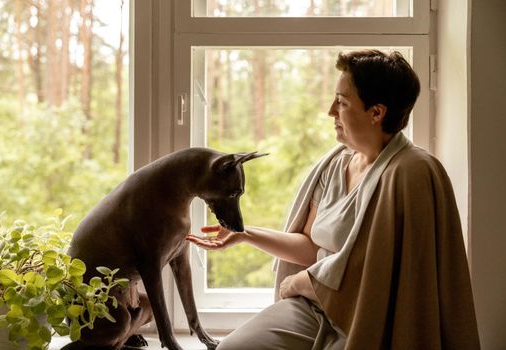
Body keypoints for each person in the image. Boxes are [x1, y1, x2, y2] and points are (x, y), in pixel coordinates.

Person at [186, 50, 480, 350]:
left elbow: (382, 279)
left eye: (341, 102)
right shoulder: (336, 164)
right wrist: (245, 234)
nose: (330, 111)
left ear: (376, 113)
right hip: (315, 307)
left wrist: (302, 283)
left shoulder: (411, 173)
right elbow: (313, 247)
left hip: (373, 319)